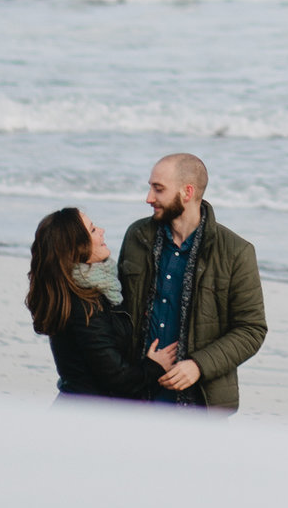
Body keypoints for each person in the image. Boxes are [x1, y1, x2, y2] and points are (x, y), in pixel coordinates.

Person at [118, 152, 267, 411]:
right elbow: (117, 310)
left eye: (158, 189)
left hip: (200, 405)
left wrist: (199, 366)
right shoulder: (137, 236)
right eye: (150, 187)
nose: (149, 198)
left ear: (187, 192)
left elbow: (251, 329)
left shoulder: (236, 251)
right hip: (134, 398)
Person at [26, 206, 172, 400]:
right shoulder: (83, 305)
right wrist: (155, 366)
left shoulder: (80, 289)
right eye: (93, 230)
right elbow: (116, 377)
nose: (102, 231)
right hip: (88, 415)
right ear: (76, 247)